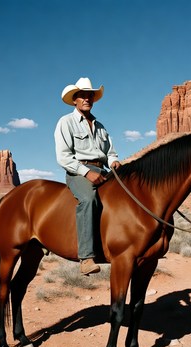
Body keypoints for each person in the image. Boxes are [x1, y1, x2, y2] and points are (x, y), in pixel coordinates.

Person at [54, 77, 121, 275]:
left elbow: (110, 152)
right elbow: (63, 157)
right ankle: (86, 257)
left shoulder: (100, 126)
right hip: (78, 172)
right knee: (88, 199)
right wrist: (86, 172)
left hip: (103, 170)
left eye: (90, 95)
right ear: (74, 99)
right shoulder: (66, 122)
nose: (87, 99)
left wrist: (114, 162)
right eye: (82, 95)